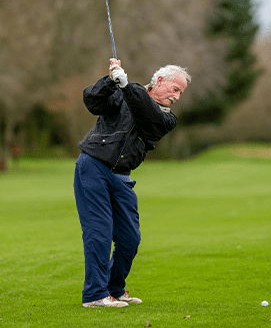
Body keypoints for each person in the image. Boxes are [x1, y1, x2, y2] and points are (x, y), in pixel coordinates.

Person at [74, 58, 191, 308]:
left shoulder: (166, 118)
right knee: (100, 232)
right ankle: (95, 295)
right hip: (94, 165)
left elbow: (146, 114)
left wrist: (126, 85)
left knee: (130, 238)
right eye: (176, 89)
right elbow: (92, 101)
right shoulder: (122, 90)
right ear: (160, 81)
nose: (177, 97)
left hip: (122, 176)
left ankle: (115, 290)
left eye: (180, 92)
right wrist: (110, 80)